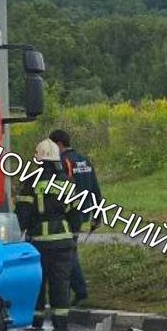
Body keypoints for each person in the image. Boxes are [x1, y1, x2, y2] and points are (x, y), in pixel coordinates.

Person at [15, 138, 82, 331]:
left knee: (37, 282)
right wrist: (74, 232)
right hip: (63, 242)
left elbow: (23, 213)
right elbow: (75, 212)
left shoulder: (30, 181)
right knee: (60, 282)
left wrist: (22, 231)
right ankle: (60, 321)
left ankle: (36, 320)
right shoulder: (66, 181)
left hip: (38, 243)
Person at [49, 129, 103, 305]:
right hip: (84, 211)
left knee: (68, 254)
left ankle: (80, 291)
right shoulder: (84, 160)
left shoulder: (64, 162)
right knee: (69, 252)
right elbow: (95, 188)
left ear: (59, 144)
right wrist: (98, 214)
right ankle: (77, 291)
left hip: (70, 214)